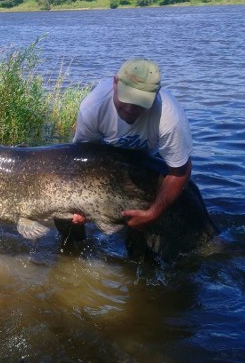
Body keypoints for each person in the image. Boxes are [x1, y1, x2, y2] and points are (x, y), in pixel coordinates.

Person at [56, 58, 193, 244]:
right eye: (126, 98)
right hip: (108, 162)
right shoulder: (93, 107)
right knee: (66, 218)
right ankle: (73, 252)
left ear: (155, 94)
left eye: (139, 103)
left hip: (150, 165)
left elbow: (180, 172)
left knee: (141, 237)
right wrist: (84, 206)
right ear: (115, 82)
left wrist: (152, 213)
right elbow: (83, 158)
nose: (129, 109)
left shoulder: (169, 118)